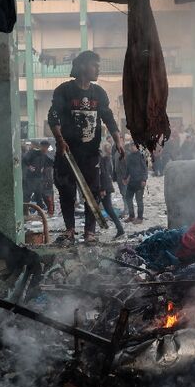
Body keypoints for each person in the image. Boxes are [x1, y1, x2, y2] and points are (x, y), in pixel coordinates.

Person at [48, 50, 124, 244]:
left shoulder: (98, 93)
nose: (98, 69)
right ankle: (70, 230)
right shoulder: (64, 90)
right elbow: (54, 115)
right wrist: (59, 139)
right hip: (67, 152)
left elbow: (108, 118)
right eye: (94, 65)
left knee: (93, 192)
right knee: (66, 191)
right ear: (83, 66)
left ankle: (89, 232)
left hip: (90, 154)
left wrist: (118, 140)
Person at [99, 142, 125, 238]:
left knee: (108, 209)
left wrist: (102, 189)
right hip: (105, 187)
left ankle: (120, 229)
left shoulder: (103, 159)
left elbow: (104, 174)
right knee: (107, 208)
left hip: (103, 188)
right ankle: (119, 229)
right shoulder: (107, 158)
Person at [21, 141, 53, 211]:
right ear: (41, 146)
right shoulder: (33, 152)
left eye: (47, 148)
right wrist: (29, 166)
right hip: (30, 178)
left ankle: (40, 212)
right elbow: (24, 159)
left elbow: (51, 162)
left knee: (39, 195)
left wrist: (44, 168)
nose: (46, 149)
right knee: (27, 195)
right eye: (45, 147)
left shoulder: (44, 155)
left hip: (39, 178)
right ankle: (25, 212)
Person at [123, 142, 148, 224]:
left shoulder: (141, 155)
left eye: (134, 146)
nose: (132, 147)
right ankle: (131, 216)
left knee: (139, 200)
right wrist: (125, 177)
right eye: (131, 146)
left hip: (139, 182)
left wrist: (144, 180)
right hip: (131, 182)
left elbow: (145, 169)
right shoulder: (129, 156)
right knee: (128, 198)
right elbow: (128, 168)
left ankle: (140, 218)